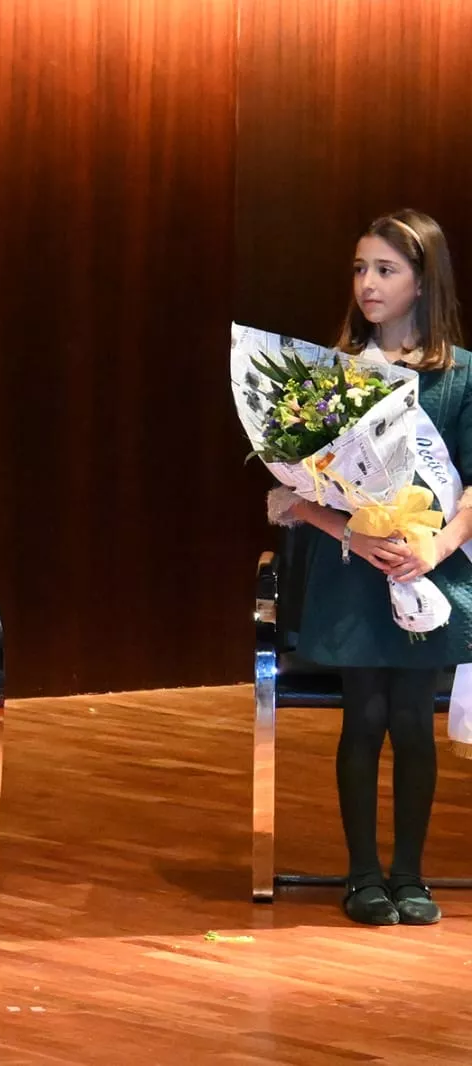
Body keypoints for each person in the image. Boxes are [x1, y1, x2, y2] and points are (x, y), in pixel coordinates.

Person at [270, 209, 469, 926]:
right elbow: (303, 488)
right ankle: (362, 877)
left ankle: (410, 875)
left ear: (423, 282)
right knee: (366, 718)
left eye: (385, 270)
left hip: (429, 571)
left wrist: (436, 549)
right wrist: (350, 536)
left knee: (413, 720)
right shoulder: (333, 373)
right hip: (356, 571)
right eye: (360, 268)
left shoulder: (462, 376)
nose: (367, 283)